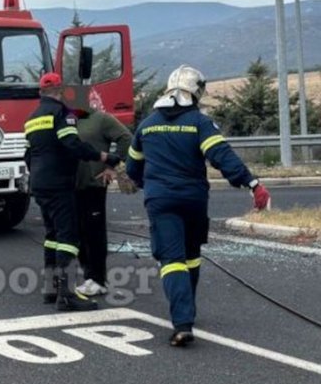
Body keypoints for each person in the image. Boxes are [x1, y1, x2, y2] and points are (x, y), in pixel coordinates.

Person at [126, 65, 270, 347]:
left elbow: (133, 168)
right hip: (193, 199)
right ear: (196, 92)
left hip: (161, 200)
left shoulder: (147, 125)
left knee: (172, 260)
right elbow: (221, 156)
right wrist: (252, 183)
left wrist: (151, 185)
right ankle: (187, 310)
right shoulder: (199, 123)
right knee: (191, 256)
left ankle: (182, 322)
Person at [24, 73, 120, 311]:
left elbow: (28, 154)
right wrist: (104, 156)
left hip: (39, 183)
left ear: (40, 92)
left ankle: (51, 288)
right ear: (60, 90)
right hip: (59, 183)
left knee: (52, 235)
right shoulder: (62, 114)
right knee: (69, 238)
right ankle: (66, 295)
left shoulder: (32, 118)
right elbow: (72, 145)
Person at [72, 102, 133, 298]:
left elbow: (127, 139)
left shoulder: (101, 119)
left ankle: (98, 279)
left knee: (94, 232)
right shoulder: (68, 120)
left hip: (94, 184)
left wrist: (111, 167)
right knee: (78, 232)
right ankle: (89, 275)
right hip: (71, 184)